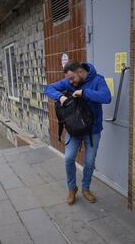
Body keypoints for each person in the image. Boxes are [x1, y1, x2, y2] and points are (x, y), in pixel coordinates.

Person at [44, 61, 111, 205]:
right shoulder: (69, 82)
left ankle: (85, 188)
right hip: (74, 129)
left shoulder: (98, 80)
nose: (70, 82)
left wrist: (85, 92)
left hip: (92, 130)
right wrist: (60, 97)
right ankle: (72, 188)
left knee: (89, 161)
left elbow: (106, 97)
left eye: (72, 78)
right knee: (68, 158)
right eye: (68, 79)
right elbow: (48, 88)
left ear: (80, 72)